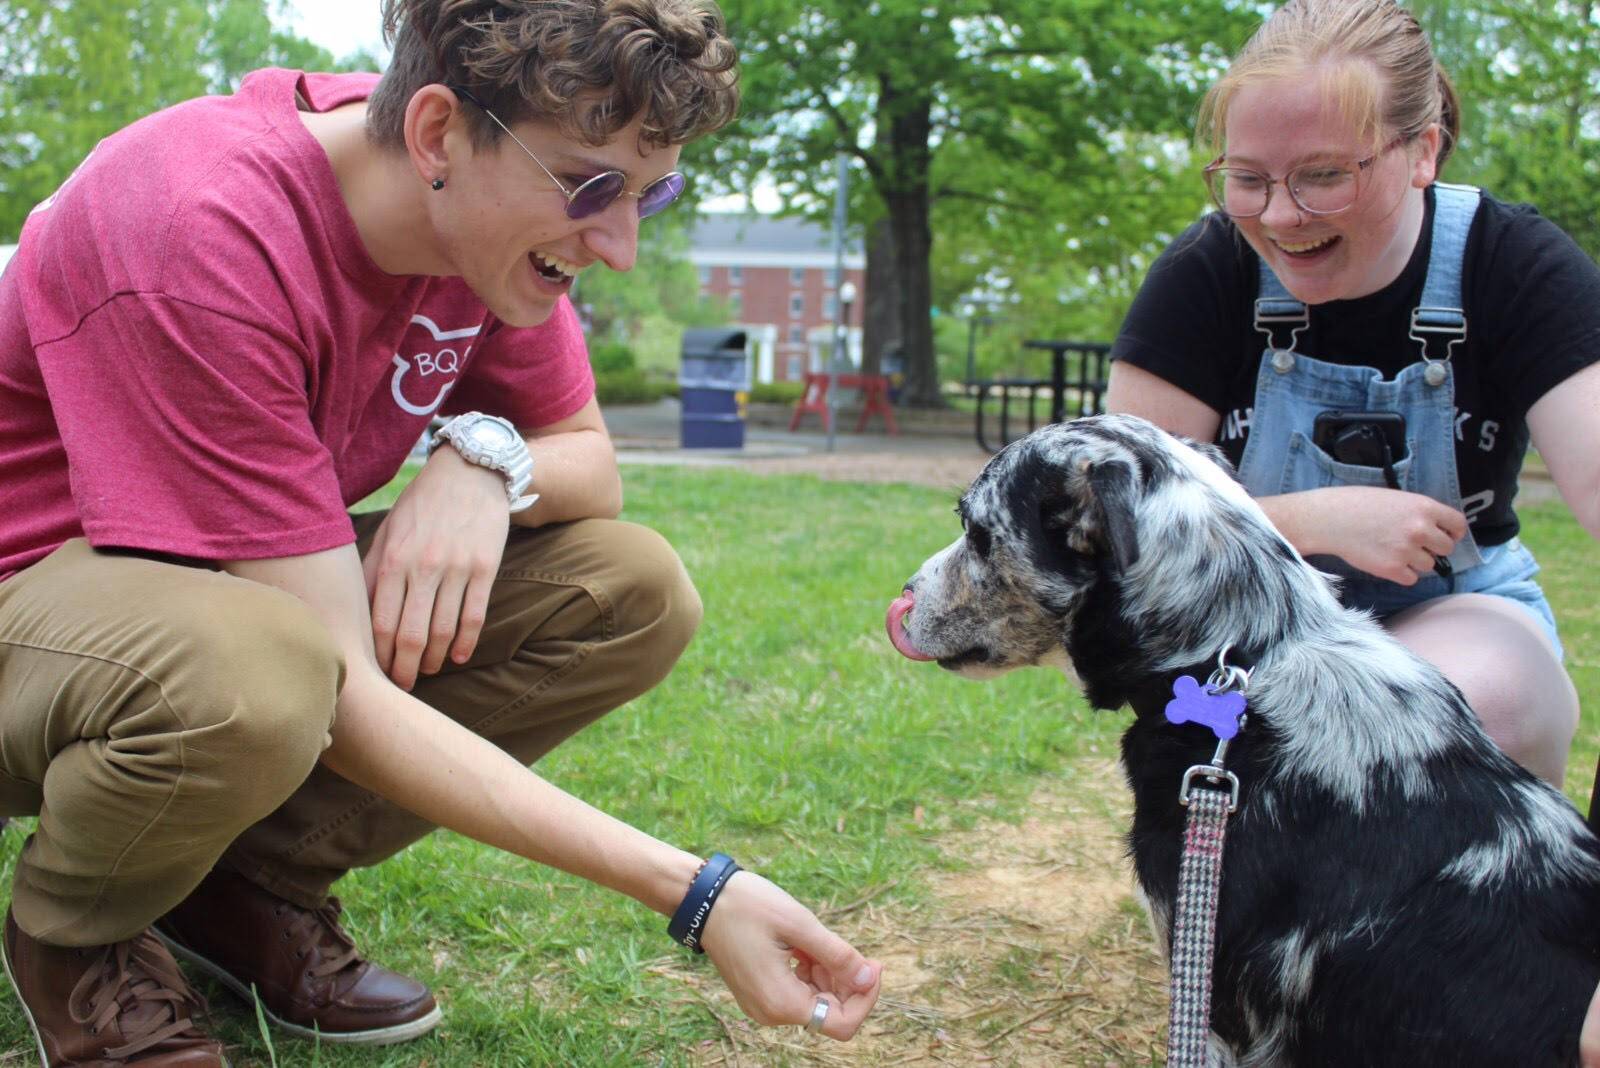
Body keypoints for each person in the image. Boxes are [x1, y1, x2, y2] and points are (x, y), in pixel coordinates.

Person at [0, 1, 883, 1064]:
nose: (619, 245)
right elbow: (343, 691)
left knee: (627, 586)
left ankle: (239, 889)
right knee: (260, 672)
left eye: (653, 193)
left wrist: (481, 461)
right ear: (434, 134)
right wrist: (694, 891)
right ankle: (74, 935)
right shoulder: (205, 217)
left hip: (193, 599)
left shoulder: (485, 229)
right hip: (32, 602)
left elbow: (586, 458)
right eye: (591, 185)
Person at [1105, 0, 1600, 1059]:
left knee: (1486, 705)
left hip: (1449, 612)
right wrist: (1304, 520)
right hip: (1244, 664)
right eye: (1246, 179)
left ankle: (1475, 939)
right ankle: (1277, 954)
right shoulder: (1203, 278)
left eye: (1324, 175)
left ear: (1421, 150)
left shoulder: (1516, 269)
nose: (1279, 215)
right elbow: (1106, 528)